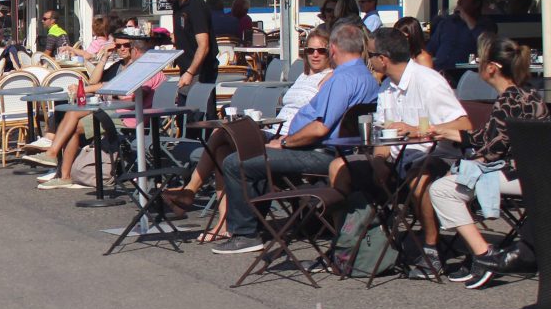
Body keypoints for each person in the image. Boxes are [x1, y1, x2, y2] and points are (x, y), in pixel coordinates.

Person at [212, 21, 381, 254]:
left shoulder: (342, 79)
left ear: (332, 48)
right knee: (256, 159)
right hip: (340, 152)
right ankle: (270, 222)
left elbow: (320, 128)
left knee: (236, 162)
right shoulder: (366, 76)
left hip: (321, 152)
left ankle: (245, 234)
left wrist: (284, 142)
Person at [165, 25, 336, 241]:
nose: (315, 55)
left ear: (330, 52)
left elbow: (318, 117)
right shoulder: (304, 76)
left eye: (321, 51)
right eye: (310, 50)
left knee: (223, 139)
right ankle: (221, 221)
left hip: (289, 140)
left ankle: (193, 191)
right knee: (223, 144)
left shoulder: (330, 77)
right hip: (274, 130)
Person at [330, 26, 471, 277]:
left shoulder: (428, 82)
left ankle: (431, 249)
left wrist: (418, 129)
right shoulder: (387, 88)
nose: (368, 60)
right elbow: (386, 133)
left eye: (370, 54)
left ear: (383, 59)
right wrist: (380, 158)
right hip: (399, 156)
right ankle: (346, 246)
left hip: (436, 154)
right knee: (340, 168)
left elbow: (464, 126)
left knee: (419, 180)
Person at [430, 35, 548, 287]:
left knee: (442, 189)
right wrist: (448, 132)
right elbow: (489, 139)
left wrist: (455, 142)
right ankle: (483, 255)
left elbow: (491, 149)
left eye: (480, 61)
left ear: (492, 68)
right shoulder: (531, 96)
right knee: (456, 178)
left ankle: (484, 256)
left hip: (519, 175)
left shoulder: (507, 100)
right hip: (537, 172)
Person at [38, 32, 160, 190]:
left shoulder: (145, 70)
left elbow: (134, 97)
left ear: (134, 49)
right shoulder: (124, 67)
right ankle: (57, 162)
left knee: (74, 123)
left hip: (127, 117)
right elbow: (99, 83)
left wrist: (113, 94)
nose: (122, 49)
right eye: (118, 46)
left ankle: (58, 163)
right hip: (115, 111)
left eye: (126, 46)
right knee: (73, 114)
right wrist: (103, 59)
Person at [155, 0, 216, 89]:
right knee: (184, 108)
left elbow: (204, 46)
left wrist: (190, 72)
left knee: (199, 109)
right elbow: (182, 36)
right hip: (186, 70)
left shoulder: (195, 5)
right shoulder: (177, 5)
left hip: (200, 73)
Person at [427, 0, 497, 80]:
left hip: (467, 74)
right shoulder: (447, 23)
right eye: (458, 0)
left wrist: (466, 17)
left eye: (464, 0)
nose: (459, 3)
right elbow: (431, 48)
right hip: (440, 72)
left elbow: (486, 42)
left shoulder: (486, 24)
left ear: (476, 3)